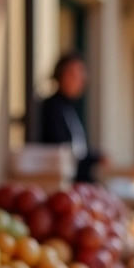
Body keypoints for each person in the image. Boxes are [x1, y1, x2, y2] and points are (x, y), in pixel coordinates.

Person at [38, 54, 104, 183]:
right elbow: (61, 150)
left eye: (82, 75)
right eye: (74, 75)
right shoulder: (52, 107)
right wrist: (94, 158)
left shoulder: (70, 107)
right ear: (61, 75)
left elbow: (77, 150)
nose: (80, 80)